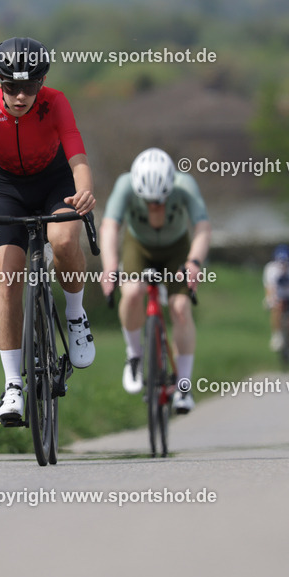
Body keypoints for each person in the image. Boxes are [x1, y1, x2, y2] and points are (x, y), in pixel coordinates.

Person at [0, 36, 96, 423]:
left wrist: (83, 191)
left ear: (42, 82)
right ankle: (13, 385)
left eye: (31, 86)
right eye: (12, 87)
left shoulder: (55, 102)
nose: (22, 96)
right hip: (7, 189)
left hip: (55, 183)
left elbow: (77, 157)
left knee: (63, 239)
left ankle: (76, 315)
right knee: (8, 275)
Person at [99, 148, 210, 414]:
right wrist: (110, 266)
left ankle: (183, 386)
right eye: (148, 201)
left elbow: (202, 227)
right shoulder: (125, 185)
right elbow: (110, 226)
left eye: (160, 200)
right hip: (139, 246)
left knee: (180, 307)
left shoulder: (185, 185)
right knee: (132, 292)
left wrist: (194, 262)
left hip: (176, 248)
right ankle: (134, 354)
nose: (154, 206)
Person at [263, 245, 289, 360]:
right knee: (276, 307)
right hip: (278, 296)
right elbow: (270, 289)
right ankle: (277, 335)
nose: (283, 265)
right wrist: (270, 300)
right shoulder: (270, 269)